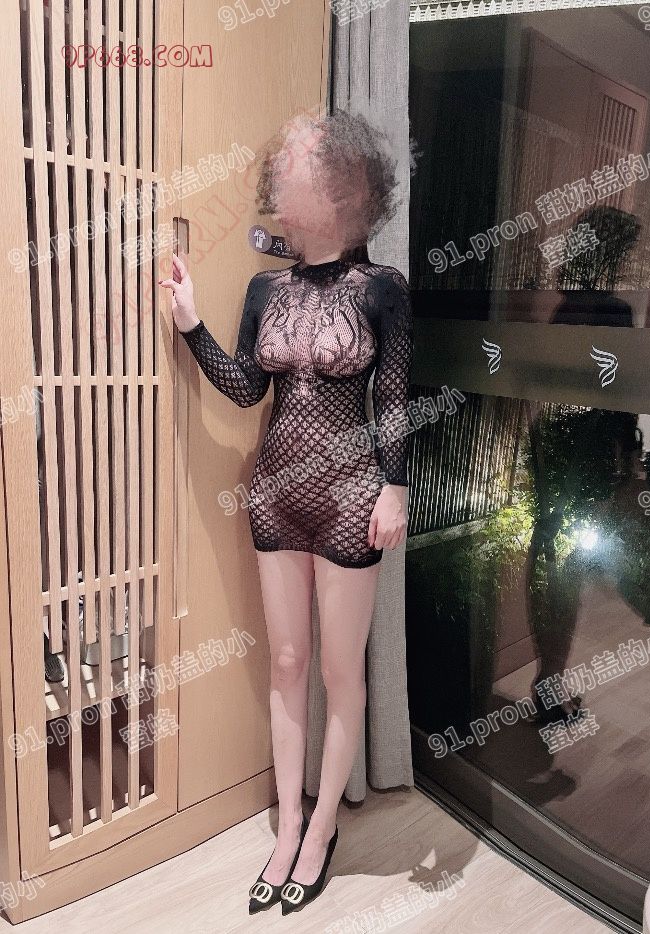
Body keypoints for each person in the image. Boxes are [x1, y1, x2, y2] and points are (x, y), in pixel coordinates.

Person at [159, 109, 413, 914]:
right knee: (287, 664)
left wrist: (398, 487)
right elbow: (246, 388)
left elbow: (394, 401)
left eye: (297, 160)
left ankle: (322, 826)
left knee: (340, 674)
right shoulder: (266, 288)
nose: (280, 173)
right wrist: (191, 323)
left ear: (341, 184)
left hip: (350, 499)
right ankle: (289, 822)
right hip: (273, 493)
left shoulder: (383, 289)